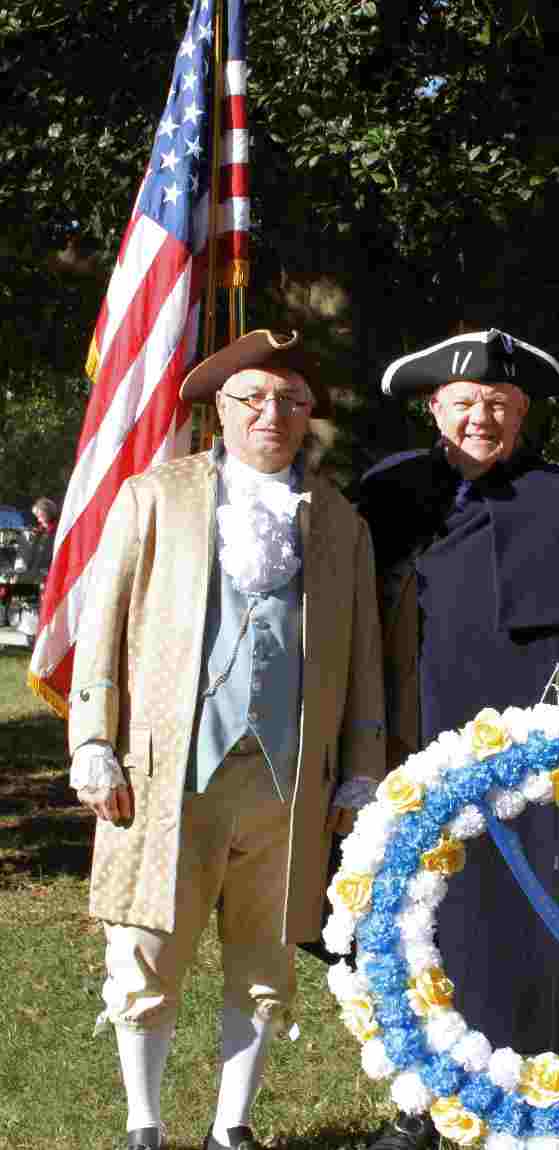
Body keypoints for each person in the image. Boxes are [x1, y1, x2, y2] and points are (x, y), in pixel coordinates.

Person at [68, 329, 387, 1150]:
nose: (270, 414)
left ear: (309, 414)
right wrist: (93, 740)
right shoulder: (155, 496)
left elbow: (362, 659)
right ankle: (145, 1122)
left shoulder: (340, 521)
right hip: (167, 767)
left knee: (269, 952)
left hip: (287, 779)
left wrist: (358, 772)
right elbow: (99, 625)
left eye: (288, 401)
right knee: (146, 949)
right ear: (220, 411)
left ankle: (231, 1126)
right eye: (252, 399)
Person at [358, 327, 559, 1150]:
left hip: (526, 762)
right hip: (415, 742)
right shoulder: (389, 491)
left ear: (522, 414)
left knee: (517, 927)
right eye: (465, 404)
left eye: (499, 404)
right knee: (416, 921)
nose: (482, 417)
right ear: (433, 409)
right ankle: (420, 1105)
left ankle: (521, 1094)